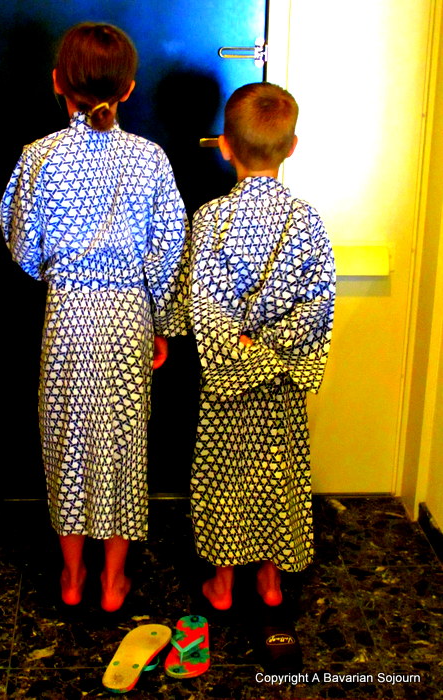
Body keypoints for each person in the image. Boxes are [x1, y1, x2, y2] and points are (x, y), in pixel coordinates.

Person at [0, 22, 188, 611]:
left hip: (67, 321)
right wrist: (162, 324)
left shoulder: (39, 157)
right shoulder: (151, 159)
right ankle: (113, 582)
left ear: (57, 82)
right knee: (123, 446)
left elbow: (22, 246)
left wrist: (62, 275)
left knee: (67, 445)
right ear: (128, 89)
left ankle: (72, 576)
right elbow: (169, 249)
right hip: (129, 319)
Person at [188, 82, 335, 611]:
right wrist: (272, 349)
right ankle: (270, 582)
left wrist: (241, 349)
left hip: (225, 381)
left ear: (225, 146)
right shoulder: (307, 221)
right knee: (276, 471)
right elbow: (319, 303)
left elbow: (201, 303)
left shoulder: (209, 219)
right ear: (292, 147)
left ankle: (223, 585)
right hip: (282, 380)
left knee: (224, 475)